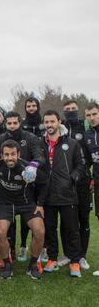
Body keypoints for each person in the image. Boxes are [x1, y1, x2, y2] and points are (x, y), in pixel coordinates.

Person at [0, 111, 45, 261]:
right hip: (6, 197)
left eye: (15, 123)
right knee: (2, 230)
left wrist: (33, 165)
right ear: (5, 124)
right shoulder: (1, 139)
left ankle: (30, 257)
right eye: (9, 123)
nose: (12, 126)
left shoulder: (29, 137)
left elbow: (40, 157)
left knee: (37, 229)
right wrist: (1, 160)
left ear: (20, 123)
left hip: (27, 185)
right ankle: (7, 259)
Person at [0, 140, 48, 279]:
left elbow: (45, 183)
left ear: (19, 154)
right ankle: (7, 265)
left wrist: (40, 204)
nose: (10, 157)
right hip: (5, 204)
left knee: (40, 231)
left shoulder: (27, 168)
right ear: (1, 155)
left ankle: (32, 265)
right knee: (0, 231)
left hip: (27, 204)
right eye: (6, 154)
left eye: (13, 154)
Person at [41, 110, 84, 278]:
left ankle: (74, 262)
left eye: (52, 121)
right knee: (50, 229)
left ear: (59, 122)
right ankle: (52, 258)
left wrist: (71, 179)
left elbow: (80, 165)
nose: (49, 125)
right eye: (47, 122)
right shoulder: (40, 143)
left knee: (71, 230)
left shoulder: (72, 143)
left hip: (67, 194)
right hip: (48, 195)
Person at [60, 100, 92, 270]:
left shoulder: (85, 125)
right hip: (65, 181)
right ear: (63, 112)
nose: (70, 111)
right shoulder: (61, 127)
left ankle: (81, 256)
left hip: (84, 181)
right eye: (67, 110)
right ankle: (67, 254)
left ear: (78, 110)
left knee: (83, 218)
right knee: (66, 220)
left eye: (73, 109)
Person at [83, 102, 99, 276]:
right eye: (88, 115)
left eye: (94, 114)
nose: (92, 118)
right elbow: (87, 161)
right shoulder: (88, 135)